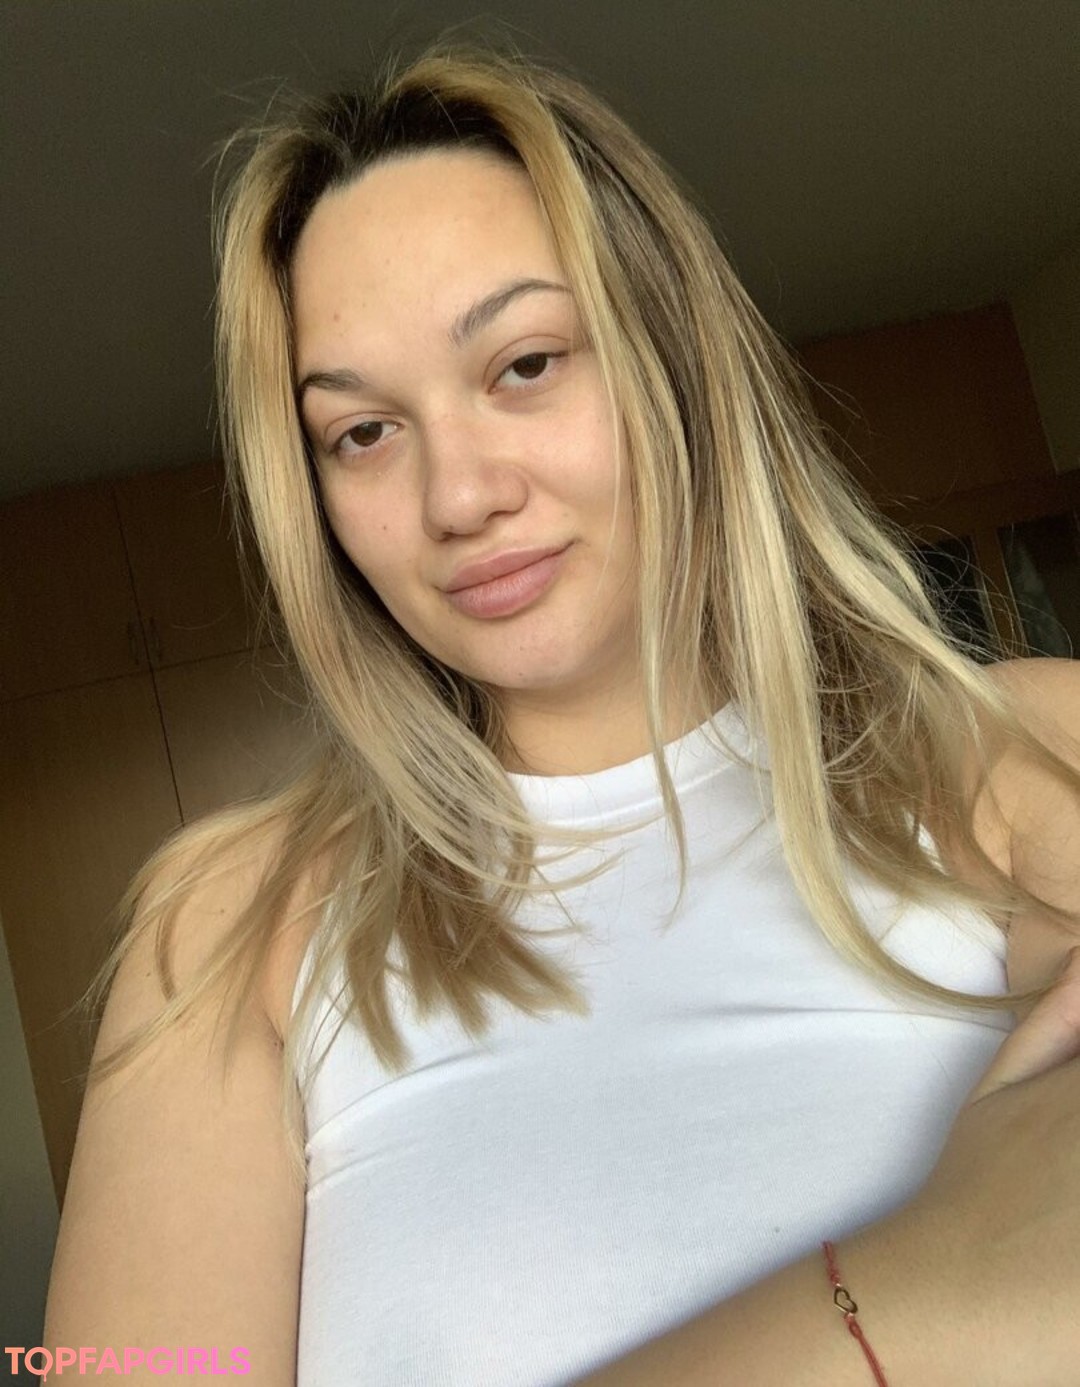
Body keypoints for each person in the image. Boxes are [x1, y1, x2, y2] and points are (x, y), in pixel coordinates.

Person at [42, 40, 1080, 1387]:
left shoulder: (1023, 749)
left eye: (525, 363)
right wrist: (898, 1299)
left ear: (676, 361)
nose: (458, 496)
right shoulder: (231, 929)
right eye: (362, 432)